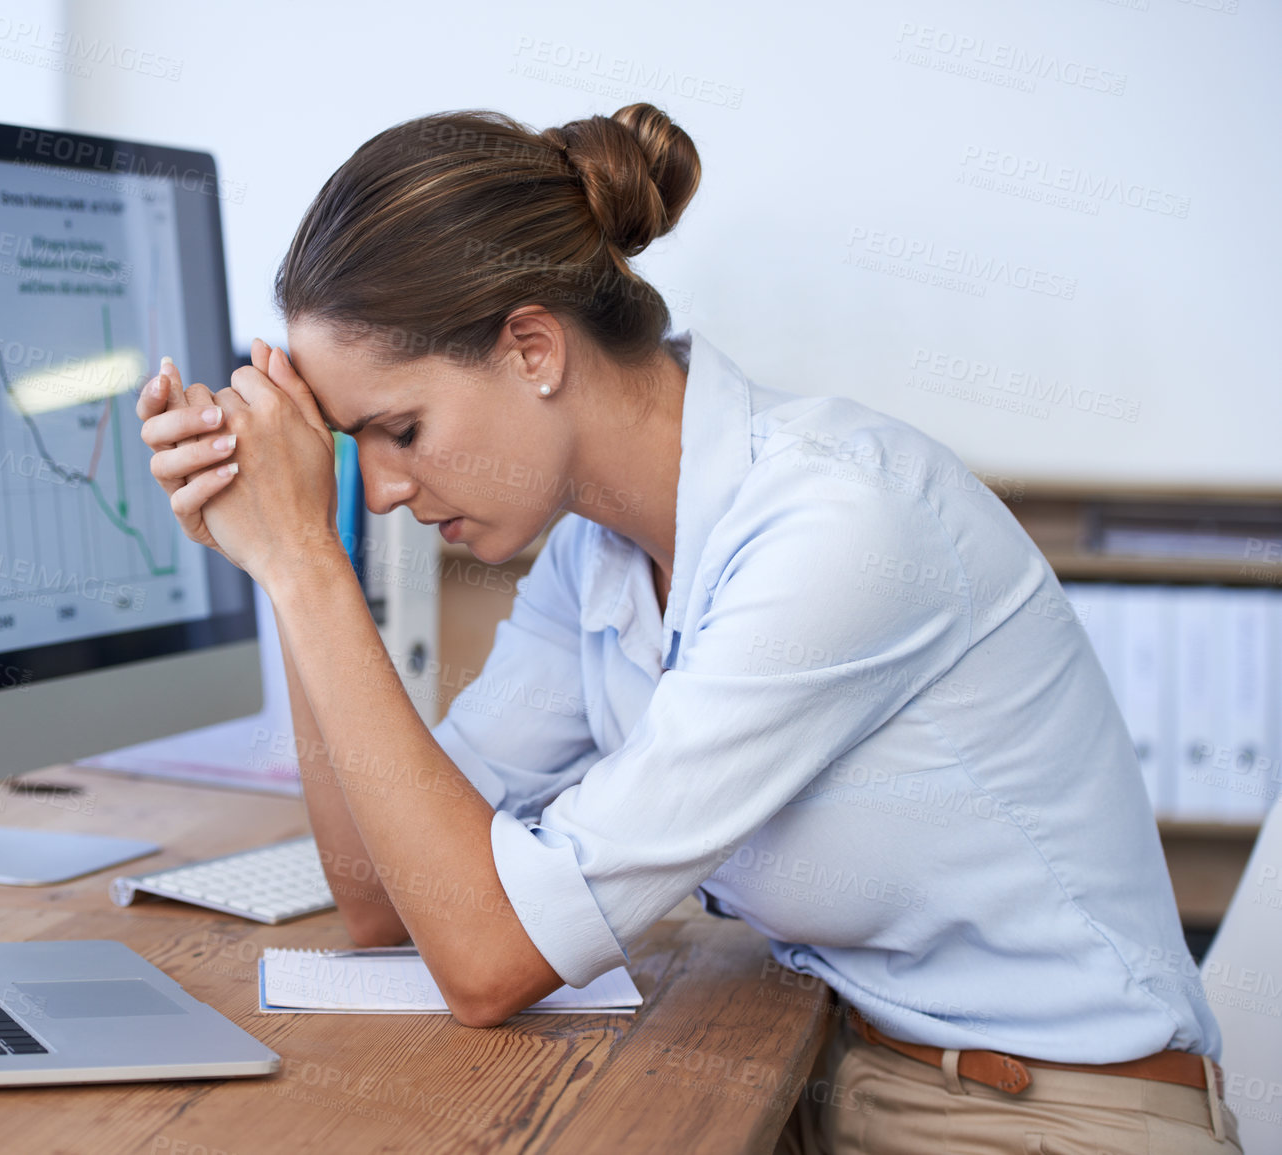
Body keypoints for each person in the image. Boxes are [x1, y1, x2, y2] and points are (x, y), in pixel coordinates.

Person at [134, 103, 1241, 1154]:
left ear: (533, 350)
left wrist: (308, 559)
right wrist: (282, 566)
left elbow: (484, 960)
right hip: (846, 1076)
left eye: (400, 429)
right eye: (346, 449)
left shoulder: (837, 526)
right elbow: (384, 901)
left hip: (1046, 1118)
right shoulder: (595, 554)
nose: (375, 491)